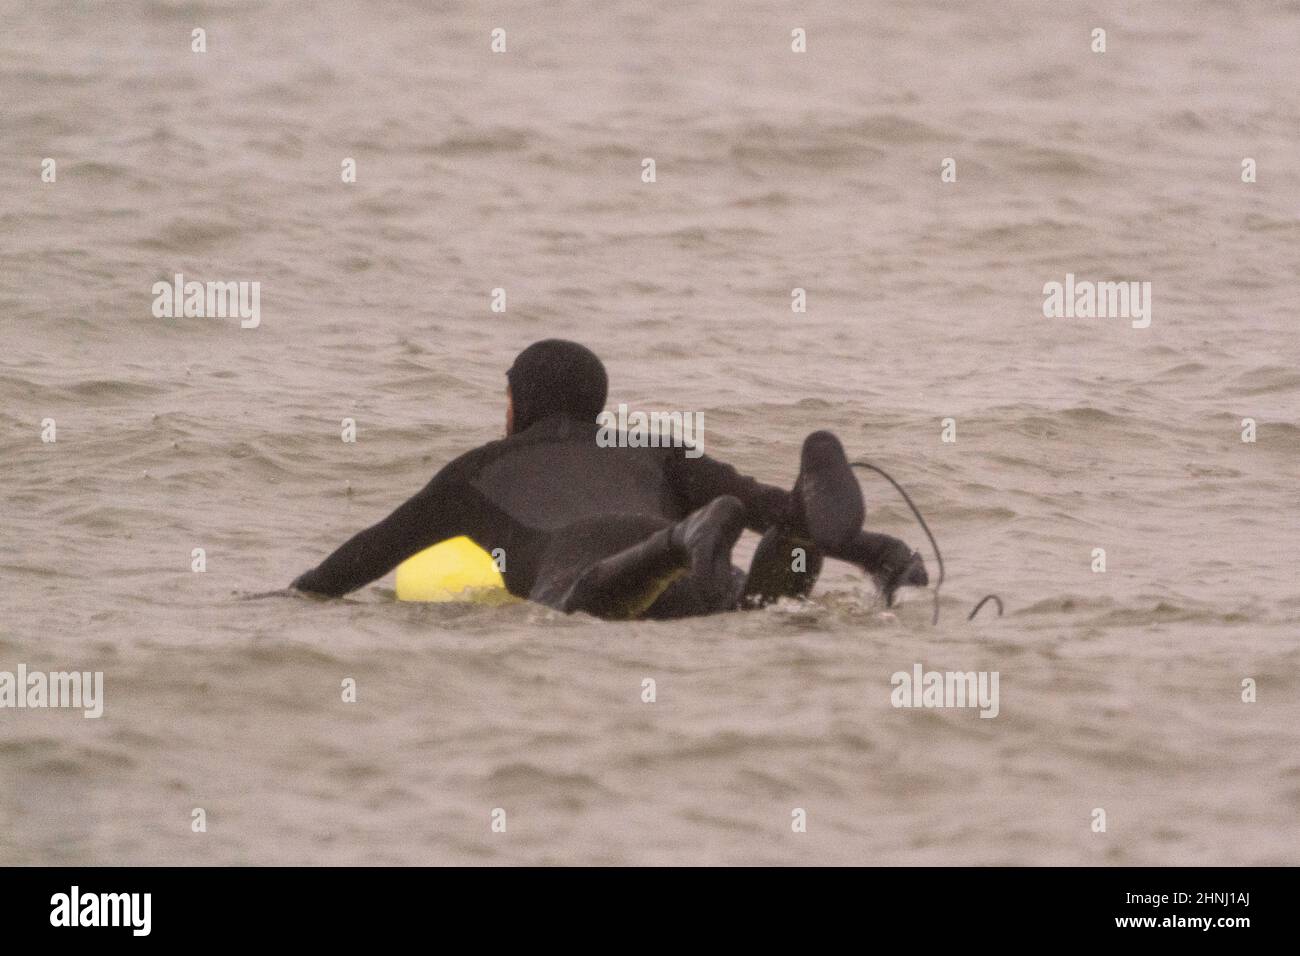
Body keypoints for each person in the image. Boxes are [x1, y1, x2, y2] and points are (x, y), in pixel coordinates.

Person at [291, 339, 927, 618]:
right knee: (753, 605)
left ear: (517, 405)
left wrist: (277, 602)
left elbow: (347, 570)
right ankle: (805, 519)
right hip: (705, 569)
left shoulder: (473, 474)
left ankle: (682, 543)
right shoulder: (654, 448)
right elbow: (775, 504)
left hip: (615, 567)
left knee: (590, 597)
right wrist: (874, 551)